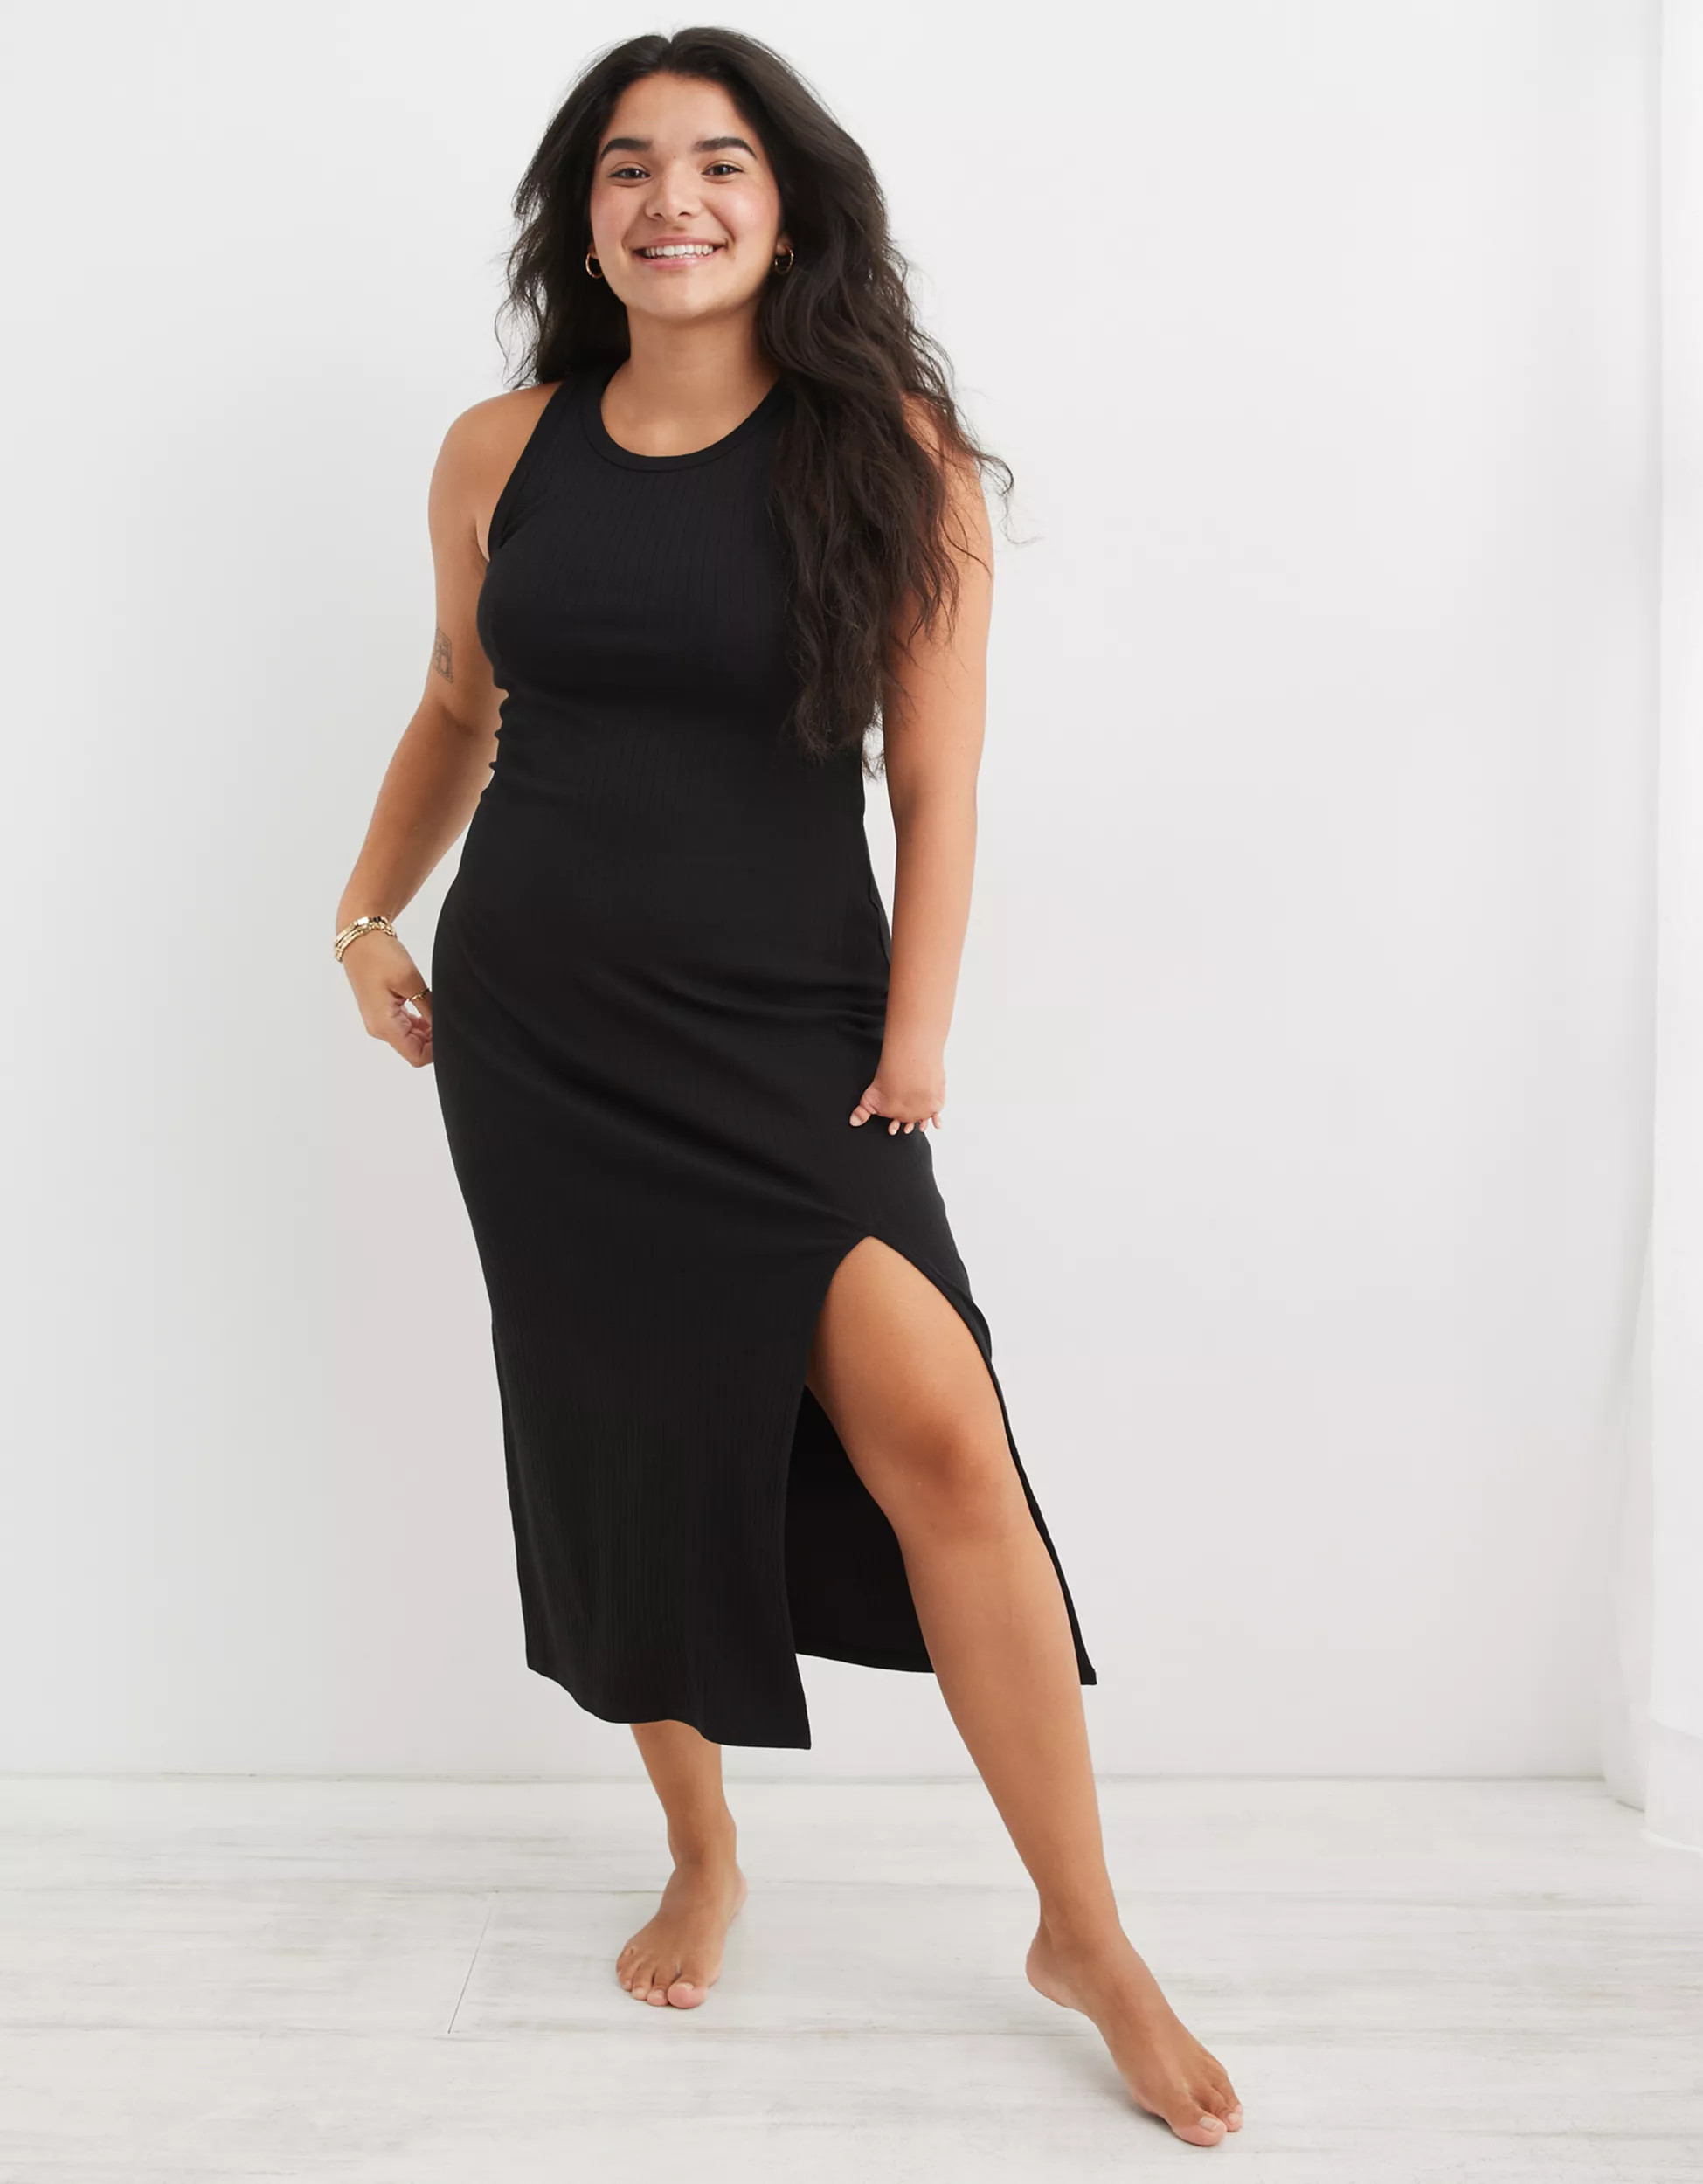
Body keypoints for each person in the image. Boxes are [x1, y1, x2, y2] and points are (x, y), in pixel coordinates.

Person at [333, 28, 1241, 2148]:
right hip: (546, 1037)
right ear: (584, 217)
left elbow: (938, 778)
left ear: (790, 207)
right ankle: (703, 1842)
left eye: (722, 162)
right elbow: (458, 702)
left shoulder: (890, 453)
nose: (676, 198)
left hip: (794, 1034)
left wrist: (915, 1035)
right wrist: (364, 913)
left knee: (945, 1433)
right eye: (630, 165)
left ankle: (1085, 1929)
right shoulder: (498, 448)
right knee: (620, 1441)